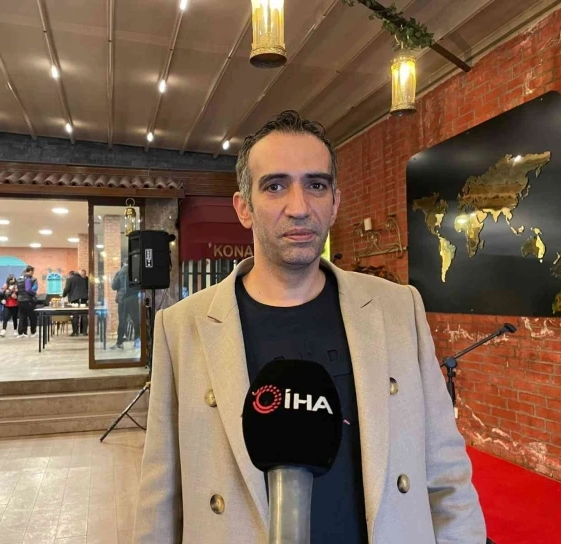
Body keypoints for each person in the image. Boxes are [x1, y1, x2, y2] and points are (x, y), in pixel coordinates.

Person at [133, 111, 486, 543]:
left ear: (334, 203)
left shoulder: (398, 309)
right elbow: (160, 499)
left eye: (316, 185)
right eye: (275, 186)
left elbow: (447, 476)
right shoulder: (181, 328)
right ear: (243, 208)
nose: (299, 207)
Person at [111, 263, 139, 349]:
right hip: (133, 298)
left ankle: (119, 343)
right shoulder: (135, 271)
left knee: (122, 321)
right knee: (136, 320)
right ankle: (137, 342)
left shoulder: (119, 272)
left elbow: (114, 286)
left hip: (122, 299)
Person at [63, 270, 88, 336]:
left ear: (70, 275)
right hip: (84, 298)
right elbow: (86, 288)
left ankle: (75, 332)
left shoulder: (69, 279)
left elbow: (66, 289)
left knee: (75, 315)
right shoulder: (83, 279)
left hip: (74, 299)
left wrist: (63, 295)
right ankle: (84, 332)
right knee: (84, 314)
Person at [16, 265, 38, 338]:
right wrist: (34, 293)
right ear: (30, 271)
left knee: (22, 316)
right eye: (33, 271)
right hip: (28, 300)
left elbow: (17, 290)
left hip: (20, 300)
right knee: (32, 316)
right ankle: (33, 332)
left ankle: (21, 333)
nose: (33, 273)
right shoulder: (28, 279)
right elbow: (28, 289)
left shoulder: (19, 279)